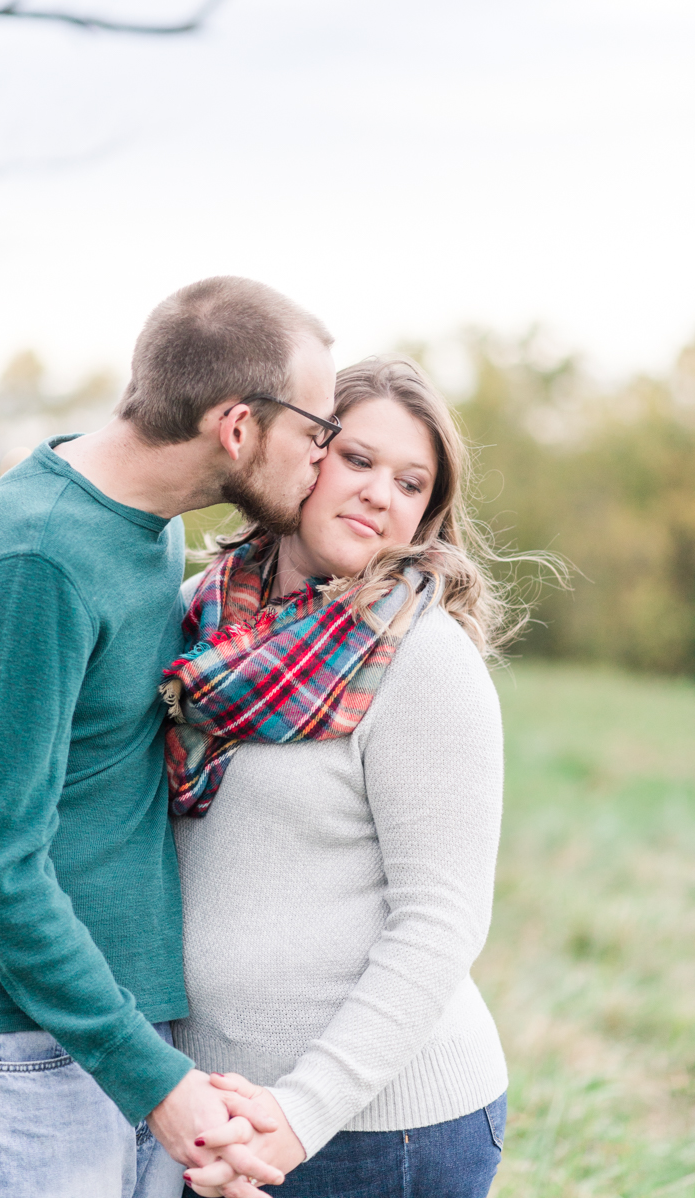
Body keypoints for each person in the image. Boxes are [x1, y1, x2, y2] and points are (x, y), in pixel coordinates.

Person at [0, 276, 337, 1198]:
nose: (324, 463)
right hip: (19, 1047)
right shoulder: (34, 563)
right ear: (237, 425)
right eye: (316, 432)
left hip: (121, 1027)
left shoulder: (151, 532)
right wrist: (151, 1078)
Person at [162, 356, 515, 1198]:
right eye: (357, 459)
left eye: (411, 482)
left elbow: (441, 922)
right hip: (206, 1112)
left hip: (376, 1131)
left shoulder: (423, 660)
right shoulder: (192, 624)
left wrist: (300, 1117)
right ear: (303, 455)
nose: (378, 493)